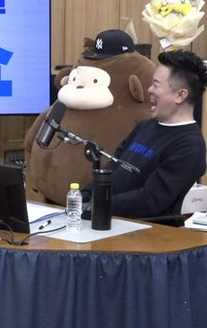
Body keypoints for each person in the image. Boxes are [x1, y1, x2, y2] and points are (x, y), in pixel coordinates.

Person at [85, 50, 207, 222]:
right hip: (107, 218)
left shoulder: (190, 146)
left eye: (156, 85)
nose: (149, 90)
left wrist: (98, 204)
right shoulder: (144, 126)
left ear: (180, 95)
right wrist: (85, 195)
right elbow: (113, 167)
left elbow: (151, 200)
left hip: (145, 231)